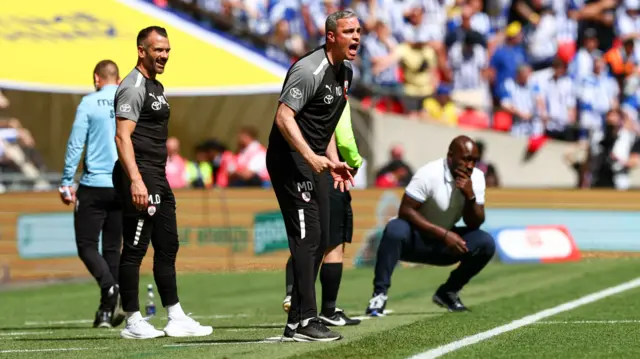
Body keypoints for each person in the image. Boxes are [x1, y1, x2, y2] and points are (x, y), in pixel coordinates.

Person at [112, 26, 213, 339]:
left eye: (167, 50)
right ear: (142, 50)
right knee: (135, 248)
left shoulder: (156, 86)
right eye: (158, 50)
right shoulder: (133, 85)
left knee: (168, 245)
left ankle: (175, 315)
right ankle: (132, 319)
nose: (165, 56)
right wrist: (136, 181)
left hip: (158, 176)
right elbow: (122, 136)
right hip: (140, 175)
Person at [266, 10, 360, 342]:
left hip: (316, 161)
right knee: (307, 238)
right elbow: (283, 117)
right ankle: (306, 320)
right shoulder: (309, 69)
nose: (357, 36)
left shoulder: (346, 71)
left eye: (359, 30)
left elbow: (327, 123)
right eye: (349, 31)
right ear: (331, 35)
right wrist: (310, 156)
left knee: (321, 238)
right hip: (290, 159)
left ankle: (296, 320)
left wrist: (332, 161)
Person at [365, 136, 496, 316]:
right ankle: (379, 295)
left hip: (443, 247)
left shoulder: (477, 178)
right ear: (450, 156)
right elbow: (405, 210)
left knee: (485, 242)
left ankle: (448, 292)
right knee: (395, 228)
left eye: (474, 160)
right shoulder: (429, 173)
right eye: (465, 159)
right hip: (413, 241)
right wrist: (444, 234)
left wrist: (470, 197)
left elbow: (474, 222)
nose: (470, 165)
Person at [282, 100, 363, 327]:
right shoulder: (336, 92)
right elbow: (344, 137)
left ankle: (294, 294)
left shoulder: (304, 99)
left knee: (309, 237)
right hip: (329, 170)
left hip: (305, 167)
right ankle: (326, 309)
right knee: (332, 244)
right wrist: (355, 161)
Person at [59, 60, 124, 329]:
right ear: (118, 80)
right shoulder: (128, 102)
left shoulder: (88, 103)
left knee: (86, 245)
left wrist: (66, 180)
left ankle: (110, 287)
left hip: (93, 184)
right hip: (121, 184)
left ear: (97, 79)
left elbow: (76, 143)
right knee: (112, 249)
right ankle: (106, 312)